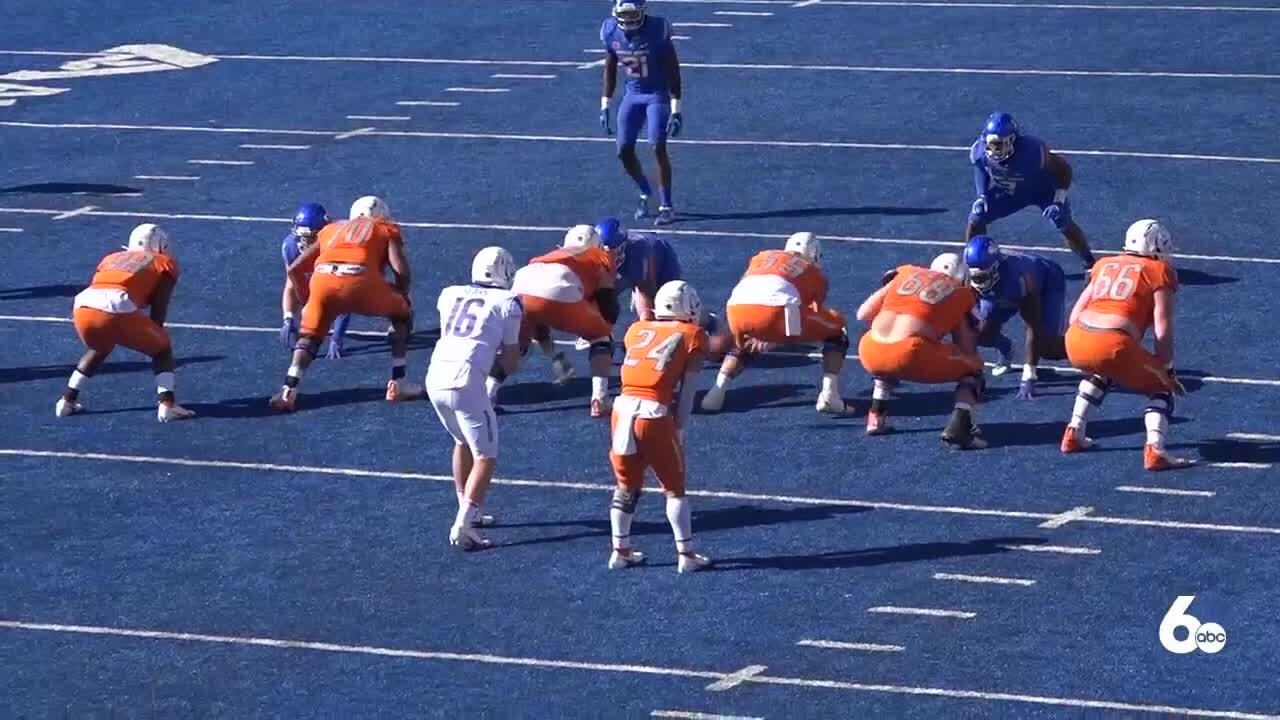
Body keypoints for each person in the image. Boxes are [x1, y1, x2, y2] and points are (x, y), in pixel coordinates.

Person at [1061, 219, 1192, 471]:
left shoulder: (1103, 264)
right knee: (1161, 387)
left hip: (1076, 339)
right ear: (1155, 245)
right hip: (1112, 342)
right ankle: (1156, 449)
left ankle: (1074, 430)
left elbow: (1074, 316)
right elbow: (1162, 327)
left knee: (1103, 371)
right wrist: (1167, 369)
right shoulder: (1158, 271)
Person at [268, 196, 420, 412]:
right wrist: (402, 299)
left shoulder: (331, 229)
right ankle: (399, 381)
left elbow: (295, 269)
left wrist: (307, 300)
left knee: (309, 337)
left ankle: (288, 390)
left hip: (322, 282)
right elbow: (401, 271)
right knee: (401, 315)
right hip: (361, 281)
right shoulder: (386, 228)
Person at [608, 280, 710, 573]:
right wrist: (680, 426)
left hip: (622, 409)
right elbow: (688, 390)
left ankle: (620, 549)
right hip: (654, 414)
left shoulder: (636, 329)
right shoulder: (693, 335)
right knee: (674, 489)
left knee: (626, 485)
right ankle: (686, 554)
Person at [427, 247, 523, 550]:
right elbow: (510, 359)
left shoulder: (450, 294)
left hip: (435, 374)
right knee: (486, 456)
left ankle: (468, 509)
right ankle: (464, 524)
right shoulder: (508, 302)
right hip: (465, 380)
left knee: (462, 442)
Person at [56, 223, 195, 422]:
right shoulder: (163, 262)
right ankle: (167, 404)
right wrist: (155, 333)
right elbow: (159, 303)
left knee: (100, 348)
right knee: (162, 348)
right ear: (162, 245)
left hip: (83, 304)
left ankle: (66, 401)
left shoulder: (110, 258)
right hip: (116, 303)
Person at [701, 232, 848, 414]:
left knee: (746, 342)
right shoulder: (813, 271)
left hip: (736, 310)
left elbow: (743, 289)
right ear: (815, 254)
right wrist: (774, 339)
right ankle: (829, 394)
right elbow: (809, 312)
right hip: (776, 313)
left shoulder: (762, 257)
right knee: (837, 331)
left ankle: (716, 391)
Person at [855, 253, 986, 449]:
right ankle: (960, 427)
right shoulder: (961, 292)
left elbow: (863, 314)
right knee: (974, 369)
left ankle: (876, 416)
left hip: (869, 349)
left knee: (887, 346)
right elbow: (966, 348)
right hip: (909, 353)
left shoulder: (906, 272)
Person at [508, 225, 618, 417]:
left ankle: (488, 393)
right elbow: (610, 308)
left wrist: (555, 356)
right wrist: (599, 321)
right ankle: (599, 399)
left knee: (518, 344)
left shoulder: (549, 255)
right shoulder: (597, 257)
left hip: (522, 283)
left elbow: (539, 311)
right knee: (602, 336)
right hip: (560, 287)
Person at [966, 112, 1095, 269]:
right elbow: (980, 168)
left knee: (1063, 222)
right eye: (990, 145)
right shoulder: (980, 150)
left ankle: (1089, 262)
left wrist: (1059, 200)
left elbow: (1063, 169)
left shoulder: (1034, 152)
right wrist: (982, 195)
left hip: (1042, 190)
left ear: (1012, 140)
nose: (993, 150)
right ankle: (973, 265)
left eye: (998, 145)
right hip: (1009, 192)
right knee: (976, 218)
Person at [600, 0, 683, 226]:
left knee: (657, 145)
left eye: (632, 13)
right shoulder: (610, 30)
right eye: (623, 14)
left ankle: (666, 205)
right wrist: (605, 102)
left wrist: (676, 106)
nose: (628, 19)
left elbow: (673, 68)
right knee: (623, 151)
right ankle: (645, 192)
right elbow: (610, 66)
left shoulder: (657, 29)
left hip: (657, 94)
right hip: (632, 95)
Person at [597, 216, 732, 355]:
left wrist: (645, 326)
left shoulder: (639, 252)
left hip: (660, 259)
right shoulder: (590, 256)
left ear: (623, 247)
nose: (609, 257)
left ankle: (708, 320)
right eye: (604, 253)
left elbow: (645, 291)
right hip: (631, 269)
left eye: (613, 252)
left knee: (673, 307)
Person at [963, 235, 1068, 397]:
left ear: (996, 267)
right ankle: (1006, 348)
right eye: (974, 278)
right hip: (1001, 289)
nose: (978, 283)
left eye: (982, 277)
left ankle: (1089, 353)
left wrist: (1029, 376)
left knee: (1047, 347)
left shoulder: (1020, 279)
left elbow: (1033, 326)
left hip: (1047, 281)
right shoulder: (970, 275)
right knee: (977, 333)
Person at [280, 202, 349, 358]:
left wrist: (337, 337)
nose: (305, 243)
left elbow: (344, 296)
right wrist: (288, 317)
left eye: (311, 238)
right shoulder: (290, 247)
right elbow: (291, 285)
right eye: (303, 238)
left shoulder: (337, 247)